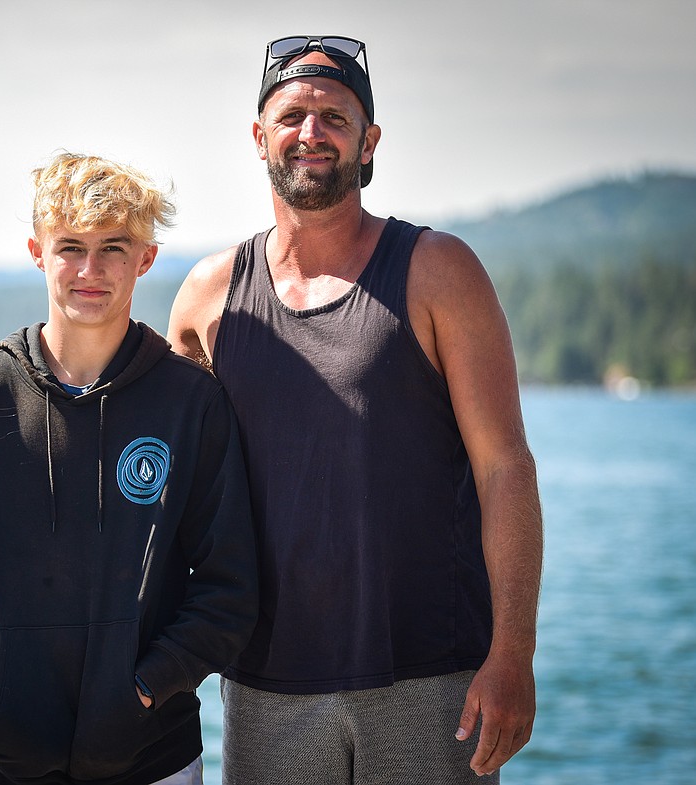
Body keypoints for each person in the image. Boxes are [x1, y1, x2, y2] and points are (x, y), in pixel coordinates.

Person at [163, 36, 544, 783]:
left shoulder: (439, 270)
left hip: (430, 679)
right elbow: (148, 453)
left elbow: (506, 467)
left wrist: (513, 654)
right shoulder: (208, 297)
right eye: (293, 114)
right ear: (259, 137)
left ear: (368, 142)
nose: (312, 133)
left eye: (335, 118)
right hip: (266, 681)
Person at [0, 152, 259, 785]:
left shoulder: (192, 404)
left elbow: (227, 591)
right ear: (36, 251)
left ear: (147, 258)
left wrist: (142, 690)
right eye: (70, 246)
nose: (89, 270)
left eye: (113, 247)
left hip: (155, 758)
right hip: (8, 763)